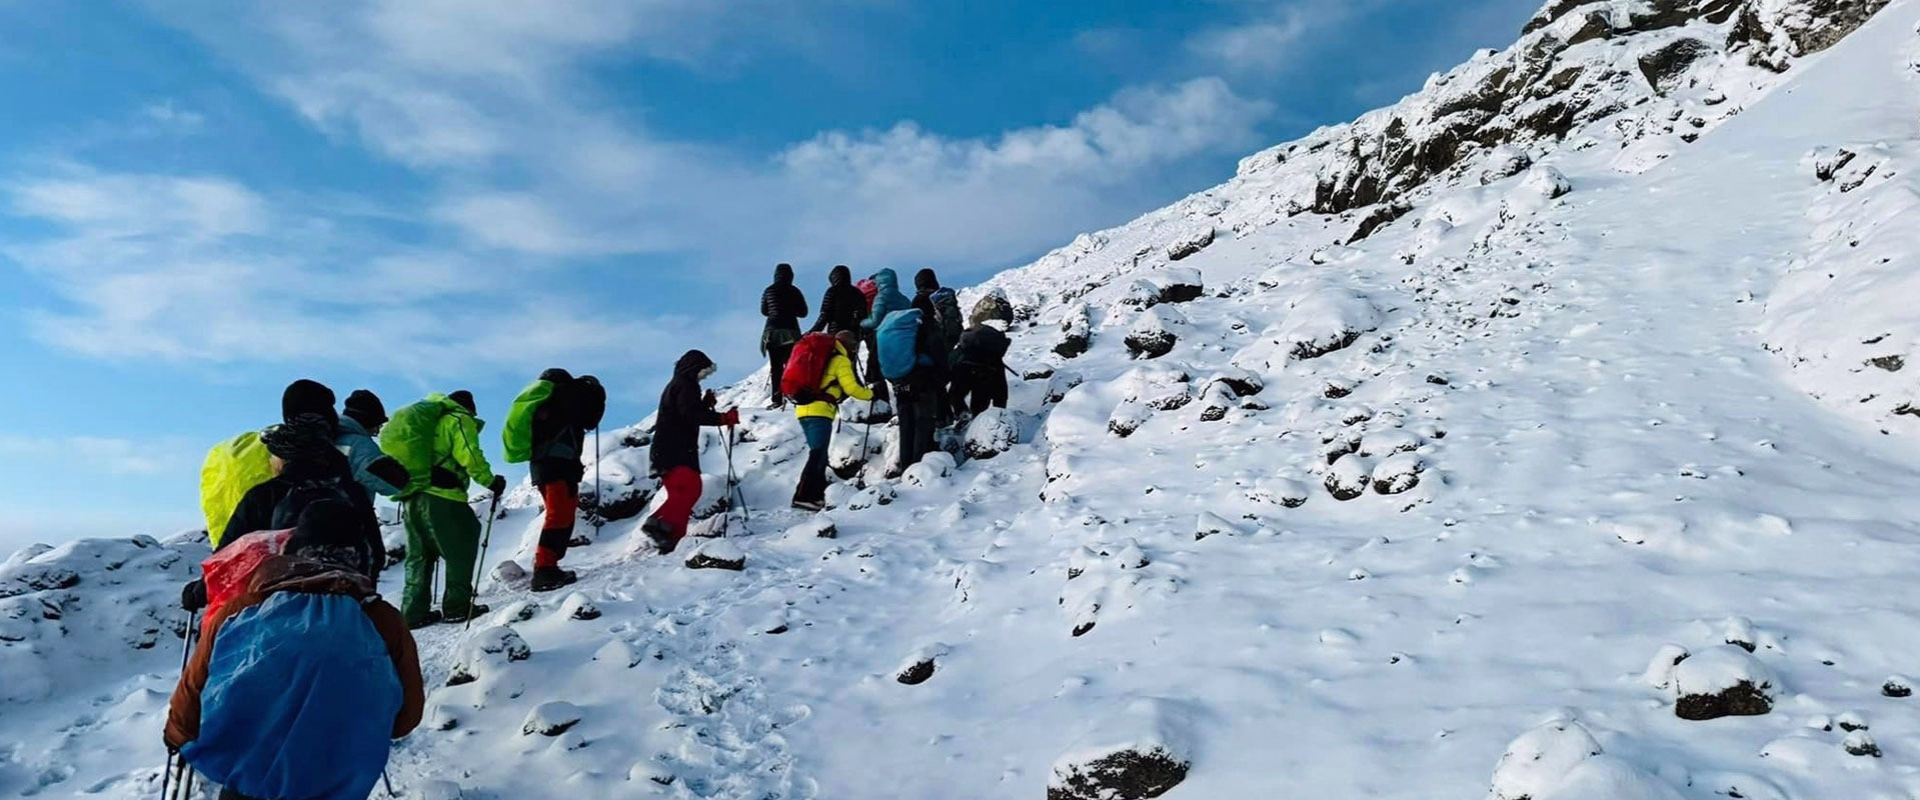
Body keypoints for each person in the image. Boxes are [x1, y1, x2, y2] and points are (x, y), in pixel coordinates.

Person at [166, 500, 424, 800]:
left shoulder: (239, 610)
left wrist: (177, 734)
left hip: (248, 777)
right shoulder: (381, 619)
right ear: (358, 555)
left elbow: (194, 686)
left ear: (291, 551)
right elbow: (406, 717)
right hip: (333, 779)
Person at [218, 416, 380, 576]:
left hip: (276, 597)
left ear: (283, 458)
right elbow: (376, 555)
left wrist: (194, 596)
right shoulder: (351, 493)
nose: (270, 462)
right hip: (347, 594)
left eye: (272, 455)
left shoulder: (266, 494)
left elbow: (225, 560)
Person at [397, 390, 504, 628]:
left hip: (413, 496)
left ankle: (413, 612)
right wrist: (490, 481)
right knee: (461, 549)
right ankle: (457, 607)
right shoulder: (459, 419)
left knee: (419, 555)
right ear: (469, 408)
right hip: (443, 497)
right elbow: (470, 454)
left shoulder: (427, 424)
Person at [642, 351, 738, 554]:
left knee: (682, 493)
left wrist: (705, 404)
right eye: (704, 372)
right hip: (676, 449)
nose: (704, 377)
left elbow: (685, 412)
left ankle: (670, 539)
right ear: (695, 368)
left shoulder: (678, 385)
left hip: (666, 449)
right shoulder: (686, 385)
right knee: (690, 489)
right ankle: (659, 527)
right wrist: (722, 418)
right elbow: (690, 415)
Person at [526, 369, 596, 592]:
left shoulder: (541, 404)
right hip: (558, 466)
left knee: (560, 514)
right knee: (559, 515)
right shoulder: (562, 398)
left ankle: (548, 565)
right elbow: (590, 419)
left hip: (544, 467)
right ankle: (544, 569)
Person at [792, 330, 873, 511]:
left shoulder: (823, 358)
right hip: (820, 411)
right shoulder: (840, 360)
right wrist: (870, 395)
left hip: (803, 409)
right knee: (818, 454)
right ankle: (803, 497)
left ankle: (815, 495)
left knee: (818, 452)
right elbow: (851, 388)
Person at [338, 389, 409, 501]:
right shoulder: (360, 444)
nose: (377, 431)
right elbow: (393, 483)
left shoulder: (329, 436)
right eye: (378, 425)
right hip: (340, 513)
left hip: (304, 513)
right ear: (368, 421)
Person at [910, 268, 957, 425]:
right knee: (942, 379)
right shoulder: (944, 297)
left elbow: (915, 325)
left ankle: (939, 417)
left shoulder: (919, 300)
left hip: (929, 346)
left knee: (933, 382)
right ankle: (949, 415)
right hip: (947, 342)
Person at [760, 263, 810, 409]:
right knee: (791, 365)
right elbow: (803, 312)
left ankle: (777, 398)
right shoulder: (795, 291)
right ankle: (793, 395)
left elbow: (764, 311)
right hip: (791, 331)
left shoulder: (768, 290)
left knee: (776, 368)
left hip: (771, 332)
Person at [859, 268, 911, 403]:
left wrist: (861, 323)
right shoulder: (904, 298)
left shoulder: (881, 297)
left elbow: (875, 320)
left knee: (874, 367)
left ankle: (880, 401)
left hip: (884, 335)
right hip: (904, 338)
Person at [949, 318, 1013, 417]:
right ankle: (975, 423)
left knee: (956, 395)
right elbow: (1001, 386)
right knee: (979, 405)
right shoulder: (993, 355)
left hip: (963, 369)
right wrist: (1000, 409)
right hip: (986, 372)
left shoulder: (965, 347)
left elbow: (950, 362)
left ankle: (962, 415)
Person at [807, 264, 867, 336]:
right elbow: (864, 314)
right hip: (854, 333)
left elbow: (825, 314)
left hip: (836, 331)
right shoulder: (858, 293)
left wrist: (812, 331)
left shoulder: (833, 291)